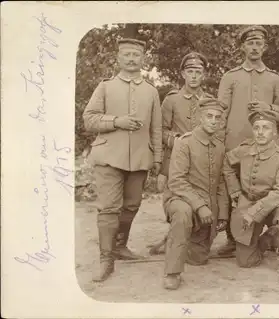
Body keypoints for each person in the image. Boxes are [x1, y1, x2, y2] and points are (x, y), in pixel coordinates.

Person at [83, 38, 162, 282]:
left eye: (136, 55)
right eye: (126, 54)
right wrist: (117, 121)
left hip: (139, 158)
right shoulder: (105, 87)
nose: (131, 59)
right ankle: (106, 260)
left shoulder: (151, 91)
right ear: (118, 58)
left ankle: (119, 246)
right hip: (108, 156)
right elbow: (89, 120)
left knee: (131, 206)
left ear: (142, 60)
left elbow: (156, 128)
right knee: (109, 208)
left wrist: (157, 158)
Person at [216, 25, 279, 258]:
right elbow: (220, 112)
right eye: (250, 43)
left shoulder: (274, 78)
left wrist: (267, 108)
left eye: (258, 43)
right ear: (243, 47)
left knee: (264, 189)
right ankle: (233, 238)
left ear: (264, 47)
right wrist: (220, 141)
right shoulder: (231, 77)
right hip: (235, 144)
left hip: (266, 146)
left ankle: (268, 234)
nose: (254, 47)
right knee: (233, 192)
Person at [223, 109, 279, 277]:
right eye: (256, 128)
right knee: (246, 262)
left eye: (265, 127)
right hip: (247, 202)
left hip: (273, 205)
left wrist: (255, 212)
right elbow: (226, 163)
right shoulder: (244, 149)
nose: (260, 132)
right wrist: (234, 189)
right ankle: (268, 238)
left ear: (274, 132)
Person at [148, 52, 213, 255]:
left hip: (201, 162)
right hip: (175, 159)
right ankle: (171, 237)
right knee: (174, 200)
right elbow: (160, 130)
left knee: (200, 199)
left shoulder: (210, 100)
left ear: (204, 75)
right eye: (190, 71)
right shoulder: (172, 100)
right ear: (183, 74)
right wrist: (175, 139)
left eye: (198, 72)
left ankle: (190, 239)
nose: (194, 76)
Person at [162, 98, 229, 290]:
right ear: (200, 118)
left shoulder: (220, 147)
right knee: (182, 214)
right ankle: (172, 273)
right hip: (180, 199)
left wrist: (222, 213)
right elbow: (176, 181)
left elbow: (221, 183)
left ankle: (175, 239)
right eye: (209, 116)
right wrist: (199, 206)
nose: (213, 120)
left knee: (198, 259)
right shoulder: (184, 143)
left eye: (218, 117)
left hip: (208, 207)